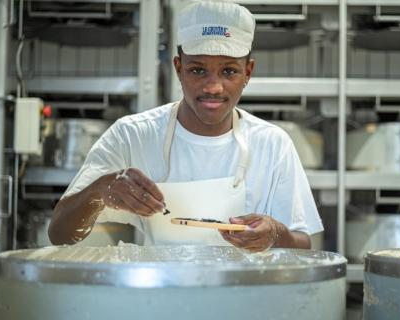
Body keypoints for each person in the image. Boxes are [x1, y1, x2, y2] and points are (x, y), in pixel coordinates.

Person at [48, 0, 323, 252]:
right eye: (197, 70)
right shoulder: (133, 136)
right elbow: (60, 234)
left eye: (229, 71)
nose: (213, 87)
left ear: (247, 72)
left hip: (245, 299)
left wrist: (275, 234)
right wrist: (100, 190)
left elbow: (302, 245)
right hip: (164, 298)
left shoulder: (271, 143)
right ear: (179, 68)